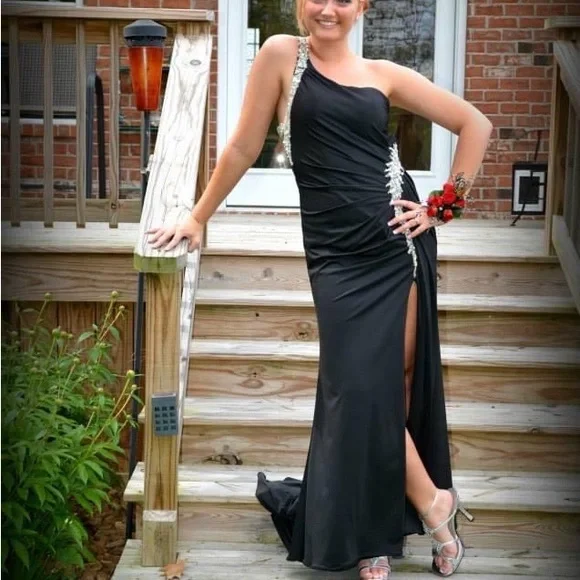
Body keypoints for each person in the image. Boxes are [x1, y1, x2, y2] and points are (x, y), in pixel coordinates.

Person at [147, 0, 493, 578]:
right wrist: (198, 216)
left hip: (394, 244)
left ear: (361, 6)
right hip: (335, 255)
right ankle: (435, 503)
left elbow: (475, 125)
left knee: (392, 387)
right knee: (356, 389)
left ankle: (375, 531)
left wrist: (441, 207)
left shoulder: (384, 74)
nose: (327, 8)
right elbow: (243, 146)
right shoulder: (282, 55)